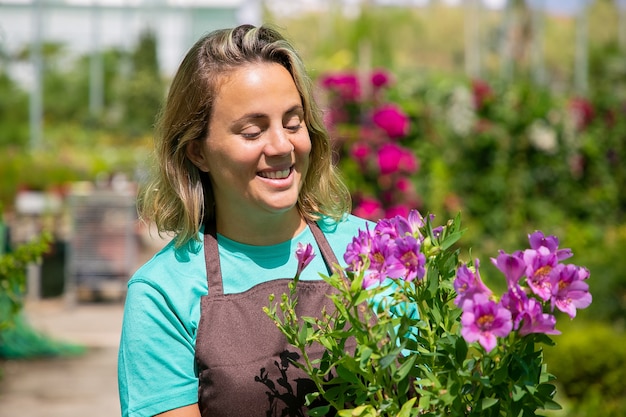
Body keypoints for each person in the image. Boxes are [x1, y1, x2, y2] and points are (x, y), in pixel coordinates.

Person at [117, 24, 370, 417]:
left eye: (292, 122)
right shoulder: (162, 294)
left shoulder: (373, 250)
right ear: (198, 152)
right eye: (252, 131)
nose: (282, 146)